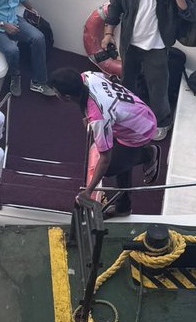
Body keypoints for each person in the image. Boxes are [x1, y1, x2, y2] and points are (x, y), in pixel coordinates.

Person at [99, 0, 196, 139]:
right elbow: (115, 8)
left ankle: (162, 121)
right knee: (128, 80)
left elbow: (190, 14)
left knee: (158, 87)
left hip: (157, 46)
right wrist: (108, 34)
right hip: (130, 44)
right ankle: (129, 113)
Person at [49, 66, 159, 216]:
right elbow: (107, 80)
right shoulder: (87, 76)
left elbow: (105, 158)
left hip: (139, 130)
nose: (55, 94)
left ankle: (148, 154)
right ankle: (123, 207)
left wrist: (88, 191)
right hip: (136, 110)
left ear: (67, 97)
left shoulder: (98, 118)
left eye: (56, 92)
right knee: (121, 160)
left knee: (111, 168)